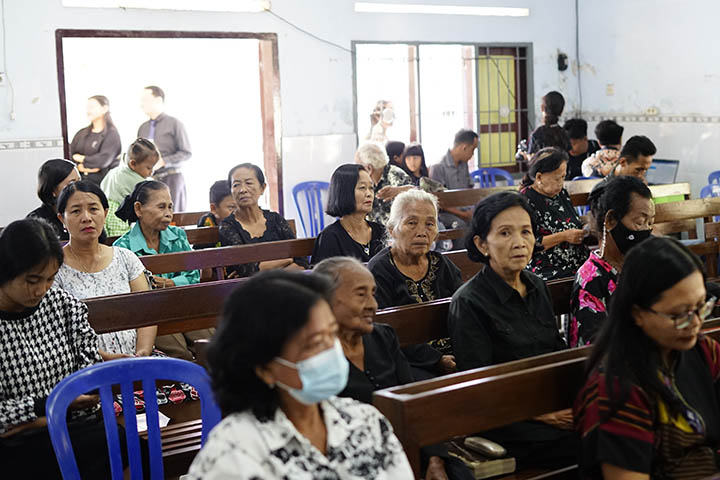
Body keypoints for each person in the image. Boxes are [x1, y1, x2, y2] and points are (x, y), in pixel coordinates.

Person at [186, 270, 413, 479]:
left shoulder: (365, 421)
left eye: (332, 335)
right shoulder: (234, 453)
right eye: (314, 343)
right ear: (264, 367)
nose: (332, 351)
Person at [448, 191, 576, 468]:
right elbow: (479, 385)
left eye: (526, 232)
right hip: (506, 419)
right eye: (505, 233)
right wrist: (543, 414)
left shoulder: (536, 285)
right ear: (482, 244)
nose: (519, 242)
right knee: (593, 443)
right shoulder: (469, 301)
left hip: (550, 405)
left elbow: (555, 350)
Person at [314, 257, 473, 480]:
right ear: (325, 298)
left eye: (373, 293)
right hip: (352, 459)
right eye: (361, 294)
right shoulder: (312, 354)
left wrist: (434, 459)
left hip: (406, 445)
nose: (373, 304)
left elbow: (413, 400)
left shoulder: (383, 336)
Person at [574, 237, 720, 479]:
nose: (695, 323)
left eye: (701, 307)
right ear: (637, 313)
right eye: (678, 315)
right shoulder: (615, 389)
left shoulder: (704, 351)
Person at [0, 218, 135, 478]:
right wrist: (58, 405)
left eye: (50, 278)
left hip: (74, 429)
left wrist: (36, 416)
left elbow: (89, 384)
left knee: (123, 442)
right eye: (32, 280)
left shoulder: (63, 304)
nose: (41, 290)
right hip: (19, 446)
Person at [53, 181, 157, 359]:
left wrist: (143, 353)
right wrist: (107, 359)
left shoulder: (126, 258)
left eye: (93, 209)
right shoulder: (54, 268)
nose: (86, 217)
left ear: (105, 213)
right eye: (76, 211)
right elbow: (59, 331)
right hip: (84, 366)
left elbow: (146, 313)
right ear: (62, 219)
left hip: (138, 360)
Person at [112, 181, 212, 361]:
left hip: (184, 306)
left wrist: (171, 283)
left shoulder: (177, 236)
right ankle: (191, 387)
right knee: (181, 356)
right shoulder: (122, 248)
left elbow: (194, 274)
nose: (168, 213)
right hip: (151, 317)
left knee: (212, 346)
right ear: (139, 209)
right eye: (161, 207)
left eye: (170, 207)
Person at [568, 176, 654, 347]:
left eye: (650, 223)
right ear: (611, 220)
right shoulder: (591, 280)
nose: (647, 230)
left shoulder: (646, 266)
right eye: (640, 222)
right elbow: (593, 347)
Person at [369, 189, 462, 309]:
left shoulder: (442, 265)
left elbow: (463, 308)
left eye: (429, 224)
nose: (422, 233)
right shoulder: (379, 270)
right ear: (392, 230)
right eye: (412, 223)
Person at [219, 163, 308, 277]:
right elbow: (245, 270)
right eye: (236, 185)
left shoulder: (276, 220)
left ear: (262, 188)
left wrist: (264, 272)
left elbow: (301, 261)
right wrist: (287, 260)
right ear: (231, 191)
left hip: (284, 286)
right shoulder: (228, 226)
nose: (243, 190)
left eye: (249, 183)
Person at [520, 147, 589, 280]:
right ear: (539, 177)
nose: (561, 183)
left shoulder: (561, 193)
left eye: (563, 177)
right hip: (547, 268)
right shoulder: (525, 200)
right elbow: (528, 244)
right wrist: (564, 236)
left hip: (577, 261)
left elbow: (570, 221)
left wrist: (586, 223)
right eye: (557, 179)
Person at [311, 164, 385, 264]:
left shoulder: (380, 231)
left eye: (371, 188)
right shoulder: (330, 237)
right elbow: (322, 277)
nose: (369, 194)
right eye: (362, 187)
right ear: (344, 192)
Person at [138, 85, 191, 212]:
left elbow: (186, 153)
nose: (141, 104)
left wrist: (164, 161)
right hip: (151, 180)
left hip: (171, 178)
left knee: (173, 217)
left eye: (145, 99)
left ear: (158, 100)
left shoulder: (174, 124)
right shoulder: (142, 127)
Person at [101, 137, 160, 237]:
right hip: (119, 215)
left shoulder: (115, 171)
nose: (152, 171)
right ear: (133, 164)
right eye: (149, 168)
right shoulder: (138, 181)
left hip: (106, 212)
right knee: (123, 243)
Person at [430, 129, 478, 248]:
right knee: (460, 226)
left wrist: (471, 210)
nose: (472, 155)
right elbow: (438, 200)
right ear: (464, 147)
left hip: (464, 210)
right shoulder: (438, 166)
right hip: (445, 213)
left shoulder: (463, 165)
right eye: (473, 150)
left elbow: (468, 189)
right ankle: (460, 261)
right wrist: (463, 214)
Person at [354, 143, 414, 226]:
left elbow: (418, 197)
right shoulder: (366, 182)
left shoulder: (396, 176)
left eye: (358, 166)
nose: (356, 171)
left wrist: (400, 191)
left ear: (369, 169)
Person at [69, 95, 122, 185]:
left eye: (92, 107)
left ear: (104, 108)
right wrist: (85, 165)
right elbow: (70, 155)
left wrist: (81, 158)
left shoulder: (112, 134)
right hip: (81, 183)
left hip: (103, 184)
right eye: (87, 107)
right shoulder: (81, 133)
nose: (88, 111)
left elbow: (102, 161)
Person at [27, 158, 80, 241]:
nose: (79, 187)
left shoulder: (86, 214)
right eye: (71, 183)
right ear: (52, 190)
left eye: (79, 181)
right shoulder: (36, 222)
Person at [527, 91, 571, 155]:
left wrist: (525, 156)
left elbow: (532, 159)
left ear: (542, 108)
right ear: (562, 111)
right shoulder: (564, 134)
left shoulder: (537, 135)